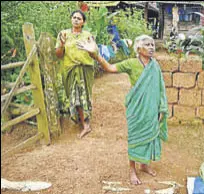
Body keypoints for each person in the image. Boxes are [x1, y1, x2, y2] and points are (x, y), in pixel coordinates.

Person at [76, 35, 169, 185]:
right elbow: (110, 68)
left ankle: (144, 165)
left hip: (152, 107)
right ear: (139, 49)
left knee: (150, 135)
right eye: (147, 45)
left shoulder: (155, 66)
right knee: (134, 138)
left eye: (152, 44)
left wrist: (162, 108)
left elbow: (160, 88)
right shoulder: (131, 63)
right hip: (137, 109)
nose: (152, 47)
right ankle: (132, 169)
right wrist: (96, 55)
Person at [55, 10, 95, 139]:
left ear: (83, 22)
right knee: (75, 97)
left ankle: (85, 124)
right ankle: (83, 121)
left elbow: (94, 53)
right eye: (74, 17)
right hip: (70, 70)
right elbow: (59, 55)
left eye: (79, 18)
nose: (76, 20)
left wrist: (90, 48)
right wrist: (61, 44)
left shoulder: (88, 35)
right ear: (71, 19)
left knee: (84, 96)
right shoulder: (63, 34)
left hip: (85, 69)